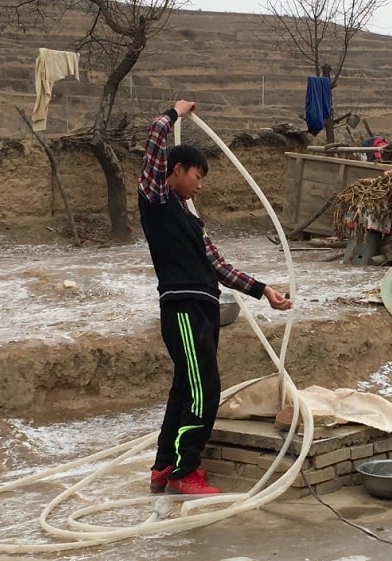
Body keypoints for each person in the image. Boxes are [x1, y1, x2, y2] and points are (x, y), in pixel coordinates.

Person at [138, 99, 293, 495]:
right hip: (184, 309)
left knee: (185, 390)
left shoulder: (190, 218)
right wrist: (174, 112)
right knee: (204, 390)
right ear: (176, 171)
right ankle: (184, 471)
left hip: (203, 311)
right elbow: (156, 138)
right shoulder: (156, 201)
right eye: (197, 175)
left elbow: (219, 266)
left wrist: (263, 291)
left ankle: (163, 467)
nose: (199, 184)